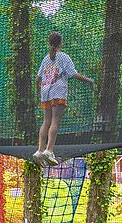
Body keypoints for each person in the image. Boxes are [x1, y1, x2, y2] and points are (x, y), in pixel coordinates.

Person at [35, 31, 94, 166]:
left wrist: (39, 93)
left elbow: (37, 79)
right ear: (60, 43)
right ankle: (49, 150)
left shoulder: (45, 59)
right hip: (57, 92)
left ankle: (40, 150)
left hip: (45, 93)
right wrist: (89, 80)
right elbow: (73, 74)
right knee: (55, 121)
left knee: (46, 121)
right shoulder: (63, 57)